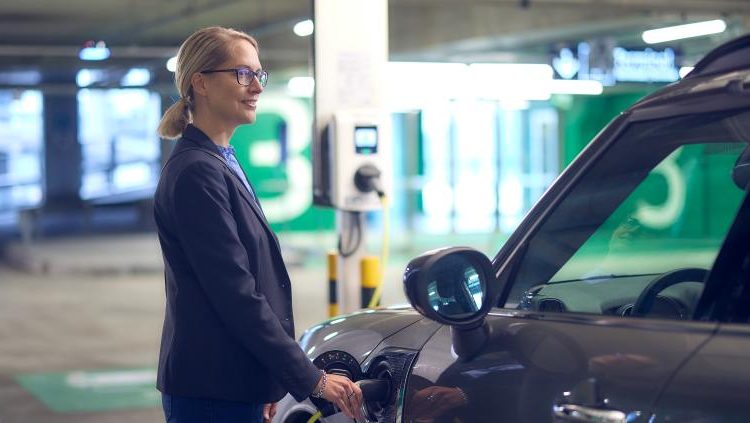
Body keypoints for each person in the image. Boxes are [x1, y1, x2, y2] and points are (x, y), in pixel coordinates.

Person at [154, 26, 362, 423]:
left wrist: (269, 380)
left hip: (234, 383)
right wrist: (310, 379)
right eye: (242, 74)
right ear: (201, 82)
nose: (256, 87)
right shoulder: (196, 172)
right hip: (212, 390)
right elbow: (235, 292)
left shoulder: (221, 160)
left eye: (258, 75)